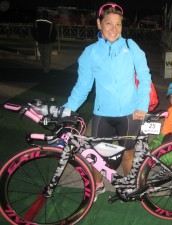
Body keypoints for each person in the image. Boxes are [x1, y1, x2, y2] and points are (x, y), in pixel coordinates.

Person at [63, 2, 151, 201]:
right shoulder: (90, 52)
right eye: (109, 23)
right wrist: (67, 109)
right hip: (103, 113)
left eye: (118, 24)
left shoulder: (131, 46)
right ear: (99, 24)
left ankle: (129, 188)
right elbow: (83, 86)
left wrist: (141, 105)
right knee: (98, 157)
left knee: (128, 154)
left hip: (130, 113)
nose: (114, 29)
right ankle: (99, 185)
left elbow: (145, 77)